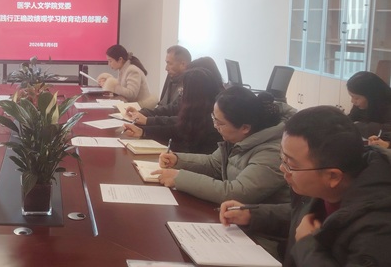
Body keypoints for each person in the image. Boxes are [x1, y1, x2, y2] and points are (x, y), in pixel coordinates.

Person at [219, 106, 391, 266]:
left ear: (333, 176)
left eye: (290, 164)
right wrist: (253, 215)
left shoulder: (378, 228)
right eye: (282, 159)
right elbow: (303, 216)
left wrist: (306, 245)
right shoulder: (324, 187)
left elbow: (309, 229)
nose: (282, 168)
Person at [153, 86, 290, 205]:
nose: (215, 126)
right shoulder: (237, 137)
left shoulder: (272, 152)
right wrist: (178, 160)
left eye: (220, 123)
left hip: (259, 225)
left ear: (245, 128)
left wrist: (180, 178)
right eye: (214, 118)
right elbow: (214, 163)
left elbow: (236, 193)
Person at [122, 67, 222, 154]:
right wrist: (143, 131)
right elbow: (177, 129)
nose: (181, 94)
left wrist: (146, 126)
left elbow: (190, 150)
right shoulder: (199, 111)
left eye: (183, 91)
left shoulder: (212, 121)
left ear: (193, 95)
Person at [346, 70, 391, 136]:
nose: (352, 101)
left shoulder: (387, 106)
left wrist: (359, 126)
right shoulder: (360, 106)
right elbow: (350, 119)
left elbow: (386, 131)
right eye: (352, 97)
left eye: (356, 98)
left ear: (371, 96)